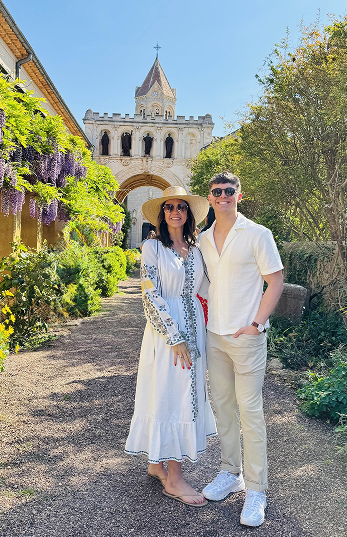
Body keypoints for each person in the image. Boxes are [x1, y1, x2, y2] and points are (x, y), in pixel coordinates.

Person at [199, 171, 283, 527]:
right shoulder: (203, 239)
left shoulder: (257, 234)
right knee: (222, 407)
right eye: (217, 192)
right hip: (214, 335)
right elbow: (202, 285)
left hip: (246, 339)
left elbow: (275, 280)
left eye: (229, 191)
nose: (223, 196)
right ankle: (230, 472)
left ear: (239, 194)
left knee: (250, 412)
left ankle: (257, 489)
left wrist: (257, 324)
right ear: (210, 196)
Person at [125, 185, 216, 507]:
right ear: (162, 214)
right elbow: (150, 294)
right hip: (167, 331)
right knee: (172, 394)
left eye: (181, 206)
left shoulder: (198, 246)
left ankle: (156, 463)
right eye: (168, 207)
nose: (175, 211)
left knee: (182, 392)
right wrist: (174, 337)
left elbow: (208, 286)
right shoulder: (153, 247)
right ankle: (174, 480)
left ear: (189, 213)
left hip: (196, 323)